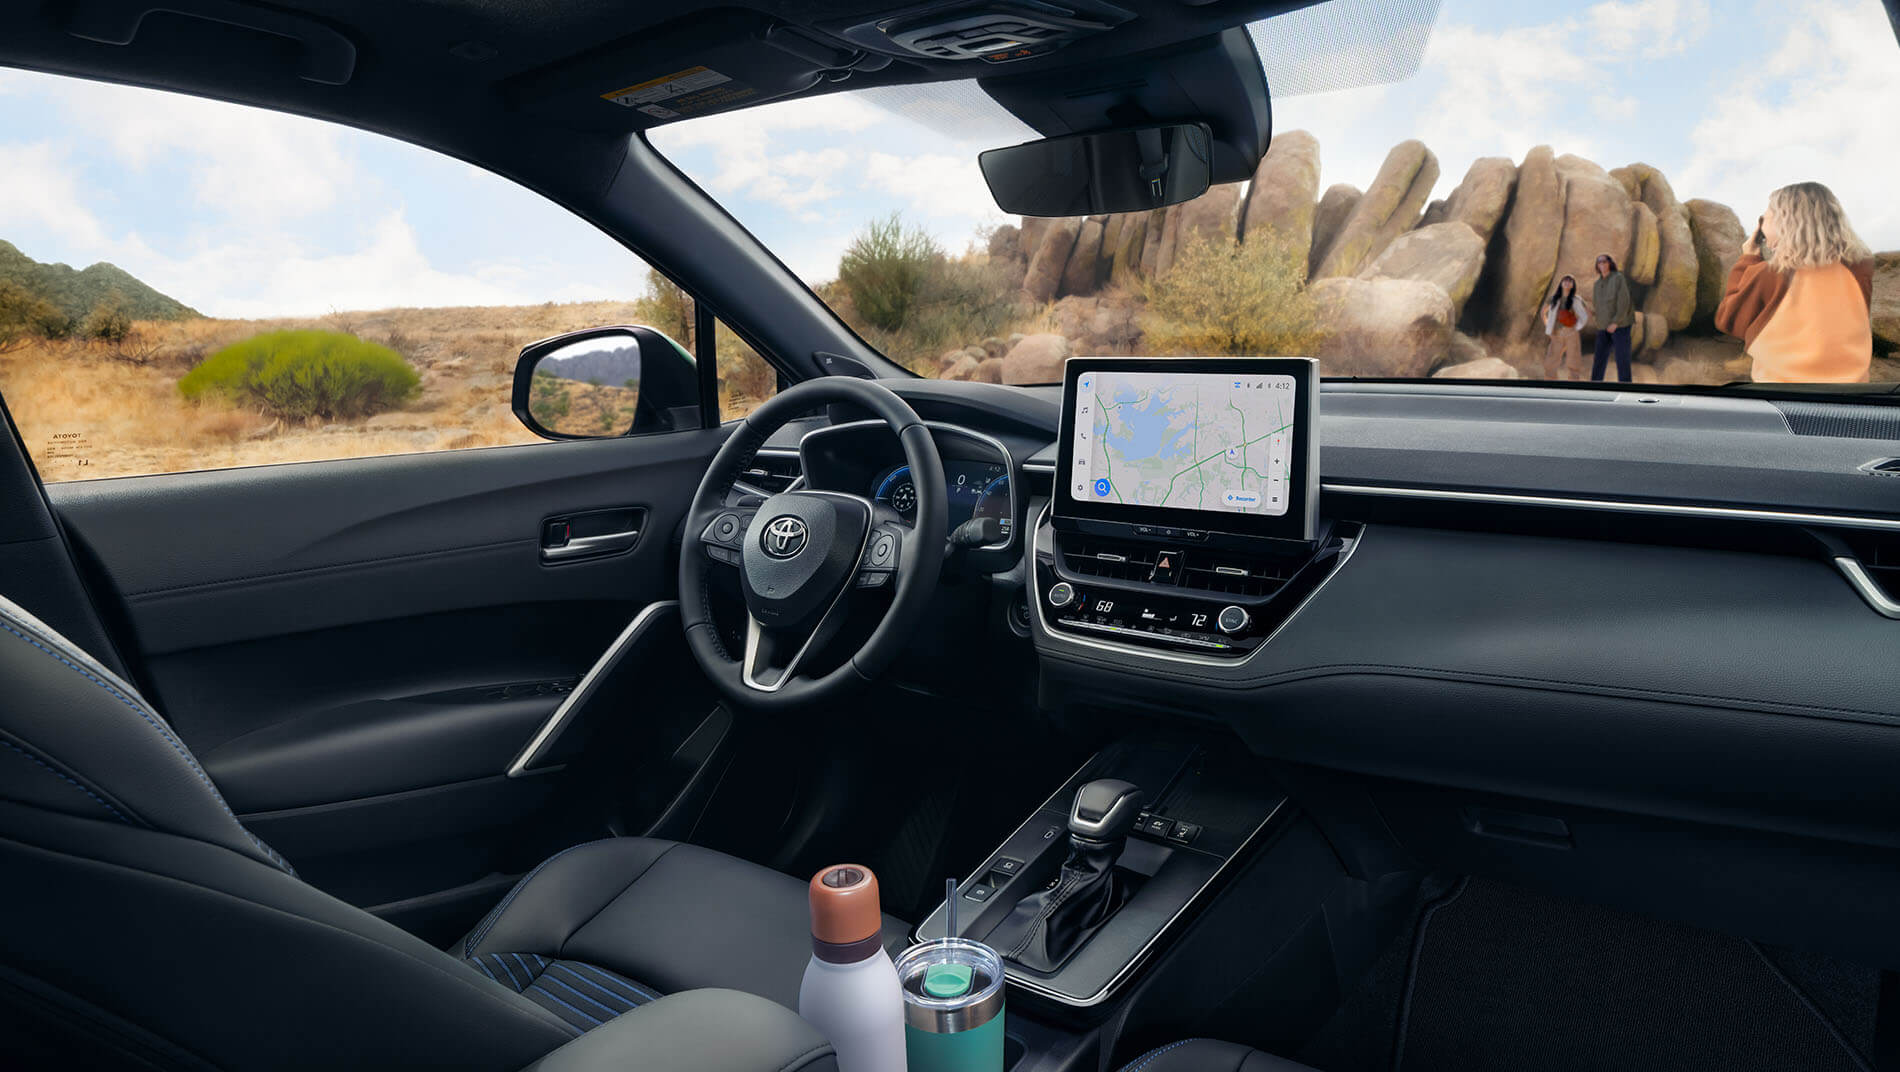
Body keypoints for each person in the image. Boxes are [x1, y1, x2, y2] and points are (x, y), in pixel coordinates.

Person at [1714, 181, 1874, 383]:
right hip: (1850, 391)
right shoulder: (1859, 269)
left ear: (1785, 224)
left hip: (1785, 391)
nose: (1762, 225)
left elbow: (1729, 320)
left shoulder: (1769, 274)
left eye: (1766, 218)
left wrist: (1748, 259)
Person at [1590, 254, 1634, 383]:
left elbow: (1624, 301)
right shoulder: (1597, 284)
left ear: (1610, 263)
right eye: (1599, 262)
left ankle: (1626, 388)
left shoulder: (1618, 278)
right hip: (1603, 326)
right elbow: (1599, 306)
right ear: (1597, 266)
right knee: (1599, 359)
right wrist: (1593, 314)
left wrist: (1615, 322)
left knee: (1622, 359)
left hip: (1620, 326)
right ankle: (1594, 387)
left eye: (1604, 261)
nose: (1602, 264)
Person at [1541, 274, 1591, 380]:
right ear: (1561, 283)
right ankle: (1550, 381)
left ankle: (1573, 383)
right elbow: (1543, 312)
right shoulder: (1554, 298)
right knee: (1552, 358)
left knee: (1574, 358)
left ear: (1573, 285)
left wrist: (1577, 327)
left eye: (1570, 281)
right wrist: (1548, 326)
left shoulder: (1576, 299)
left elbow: (1587, 313)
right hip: (1556, 332)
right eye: (1565, 280)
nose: (1567, 282)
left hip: (1571, 331)